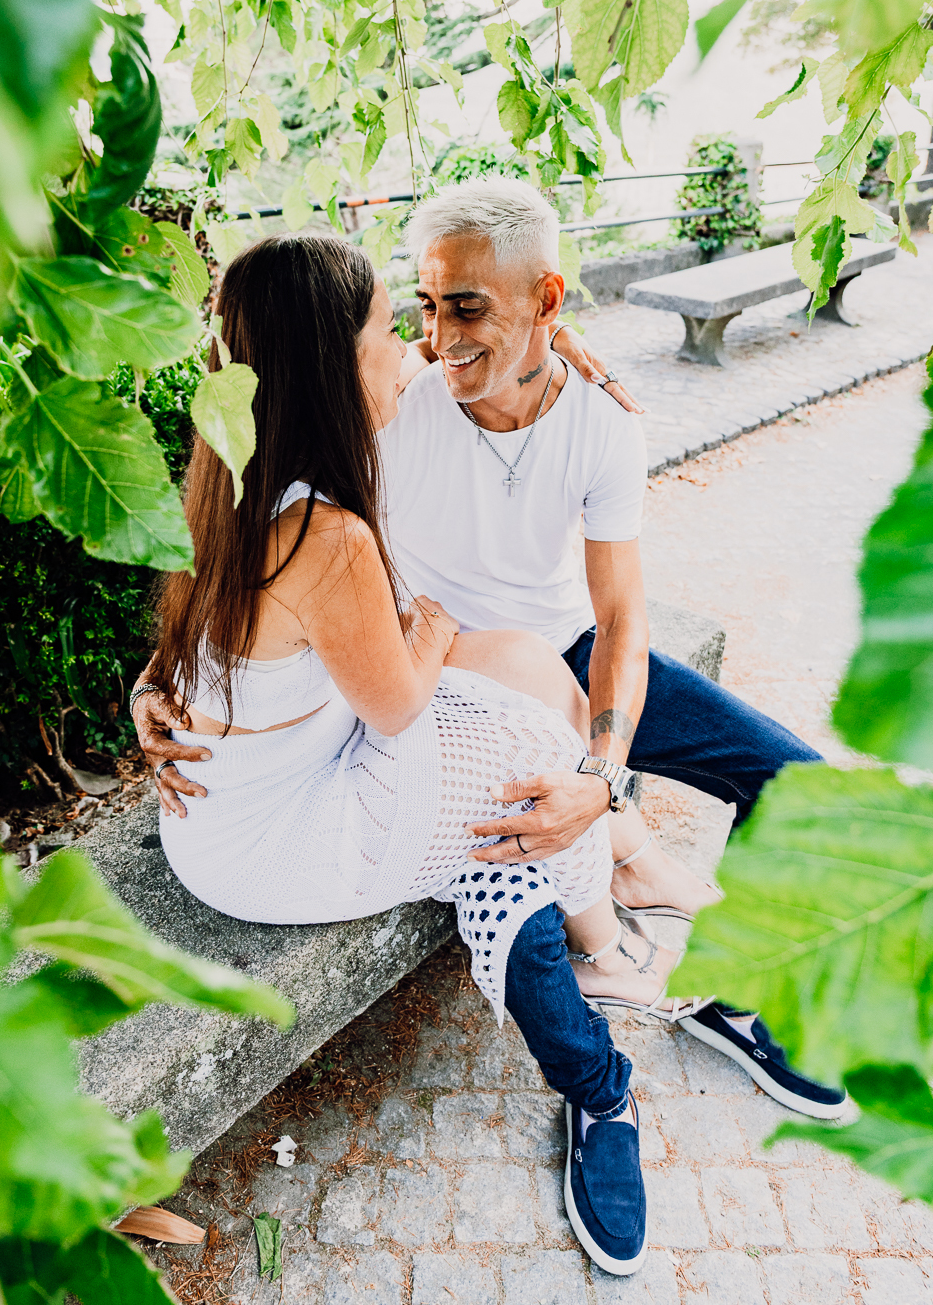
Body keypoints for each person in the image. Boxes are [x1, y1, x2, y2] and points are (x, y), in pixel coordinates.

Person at [137, 177, 846, 1123]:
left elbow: (625, 619)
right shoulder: (388, 408)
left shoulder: (601, 420)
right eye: (420, 310)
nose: (433, 338)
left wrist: (603, 772)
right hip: (424, 668)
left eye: (464, 308)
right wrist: (159, 678)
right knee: (516, 826)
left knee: (797, 783)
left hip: (560, 648)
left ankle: (721, 956)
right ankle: (624, 1033)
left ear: (548, 302)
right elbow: (253, 576)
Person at [136, 231, 723, 1275]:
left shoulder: (233, 466)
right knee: (522, 804)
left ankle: (602, 943)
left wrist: (556, 335)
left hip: (225, 811)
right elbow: (402, 705)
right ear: (334, 365)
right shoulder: (327, 533)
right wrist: (432, 633)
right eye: (384, 328)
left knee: (518, 743)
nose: (409, 343)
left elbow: (215, 646)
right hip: (284, 841)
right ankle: (604, 1064)